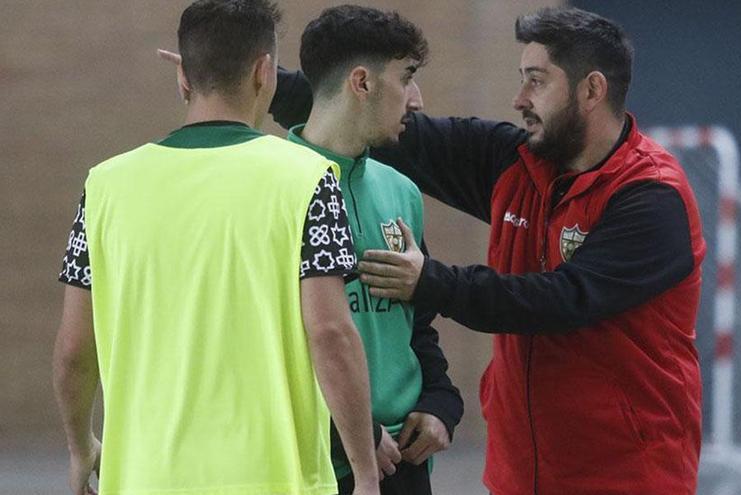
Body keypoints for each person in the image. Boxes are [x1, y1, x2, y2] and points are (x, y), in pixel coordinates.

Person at [270, 6, 706, 495]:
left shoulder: (652, 197)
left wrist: (431, 281)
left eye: (536, 82)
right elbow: (360, 111)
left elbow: (562, 300)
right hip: (521, 476)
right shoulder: (514, 163)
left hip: (627, 476)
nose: (519, 99)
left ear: (592, 90)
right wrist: (240, 81)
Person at [52, 1, 379, 494]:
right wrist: (367, 472)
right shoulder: (309, 181)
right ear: (264, 72)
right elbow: (332, 334)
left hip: (146, 481)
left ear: (183, 77)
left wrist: (82, 447)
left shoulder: (103, 188)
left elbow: (75, 349)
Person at [160, 6, 462, 495]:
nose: (417, 99)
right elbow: (253, 343)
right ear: (361, 83)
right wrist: (354, 437)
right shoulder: (265, 188)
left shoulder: (400, 190)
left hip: (404, 464)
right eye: (407, 78)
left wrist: (440, 403)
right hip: (315, 467)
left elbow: (415, 324)